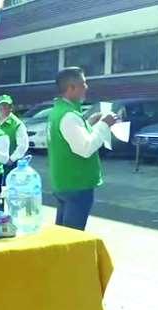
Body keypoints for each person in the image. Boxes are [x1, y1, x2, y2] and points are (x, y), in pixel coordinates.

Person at [47, 67, 117, 231]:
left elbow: (73, 137)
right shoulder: (69, 115)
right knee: (73, 236)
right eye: (83, 84)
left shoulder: (59, 111)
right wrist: (104, 125)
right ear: (71, 88)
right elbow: (85, 148)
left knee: (63, 234)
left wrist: (90, 123)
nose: (86, 87)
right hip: (76, 184)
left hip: (64, 182)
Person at [0, 94, 29, 176]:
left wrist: (11, 159)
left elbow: (23, 146)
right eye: (1, 105)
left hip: (10, 164)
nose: (3, 108)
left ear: (11, 107)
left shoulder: (17, 124)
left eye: (6, 105)